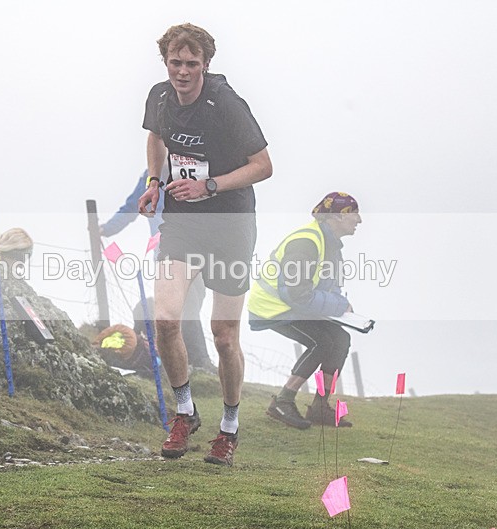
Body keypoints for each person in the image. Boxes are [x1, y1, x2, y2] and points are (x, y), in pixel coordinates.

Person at [138, 24, 273, 466]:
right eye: (175, 63)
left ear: (206, 65)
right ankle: (184, 413)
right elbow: (156, 136)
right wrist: (156, 182)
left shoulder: (227, 104)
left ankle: (229, 427)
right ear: (166, 62)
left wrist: (210, 186)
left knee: (224, 335)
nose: (182, 71)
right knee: (165, 320)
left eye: (191, 64)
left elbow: (263, 166)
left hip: (231, 226)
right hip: (183, 223)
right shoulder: (159, 97)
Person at [248, 192, 362, 429]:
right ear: (339, 216)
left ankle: (320, 406)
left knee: (341, 338)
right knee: (322, 342)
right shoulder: (306, 242)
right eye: (354, 212)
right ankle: (282, 401)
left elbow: (329, 286)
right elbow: (297, 293)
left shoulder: (330, 244)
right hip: (274, 307)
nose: (359, 220)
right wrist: (339, 306)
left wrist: (343, 308)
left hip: (294, 305)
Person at [101, 169, 214, 373]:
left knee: (193, 302)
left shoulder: (192, 167)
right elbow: (132, 206)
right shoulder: (150, 176)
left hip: (199, 250)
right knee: (188, 305)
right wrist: (106, 230)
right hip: (170, 252)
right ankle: (199, 360)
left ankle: (182, 355)